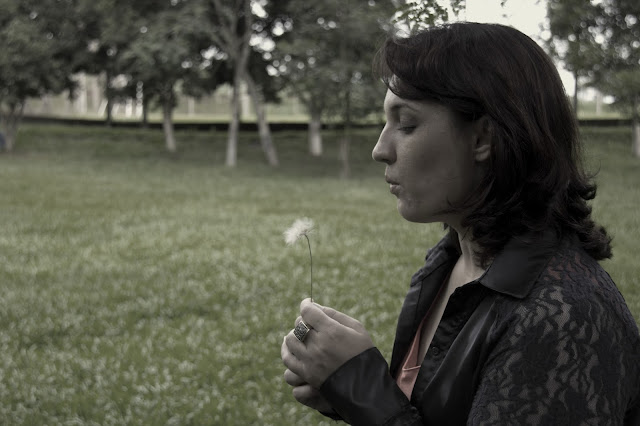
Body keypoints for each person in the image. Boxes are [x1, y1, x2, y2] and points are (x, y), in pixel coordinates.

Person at [281, 22, 640, 425]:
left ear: (483, 138)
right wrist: (345, 392)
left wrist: (363, 389)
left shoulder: (562, 319)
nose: (380, 149)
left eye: (406, 124)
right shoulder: (449, 261)